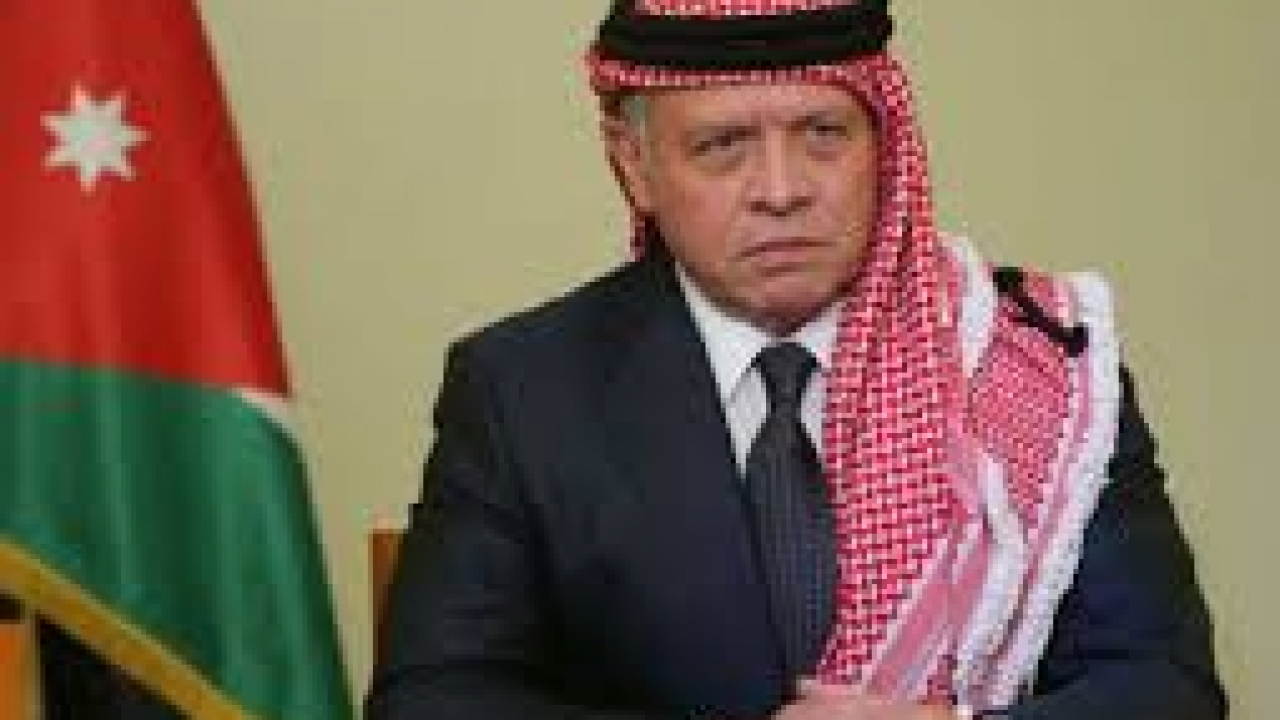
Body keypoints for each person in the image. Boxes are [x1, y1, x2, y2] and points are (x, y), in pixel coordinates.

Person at [366, 1, 1226, 718]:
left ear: (882, 141)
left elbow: (1166, 687)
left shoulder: (1033, 366)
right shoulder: (521, 390)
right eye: (722, 147)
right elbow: (435, 699)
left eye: (823, 133)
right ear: (635, 165)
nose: (781, 190)